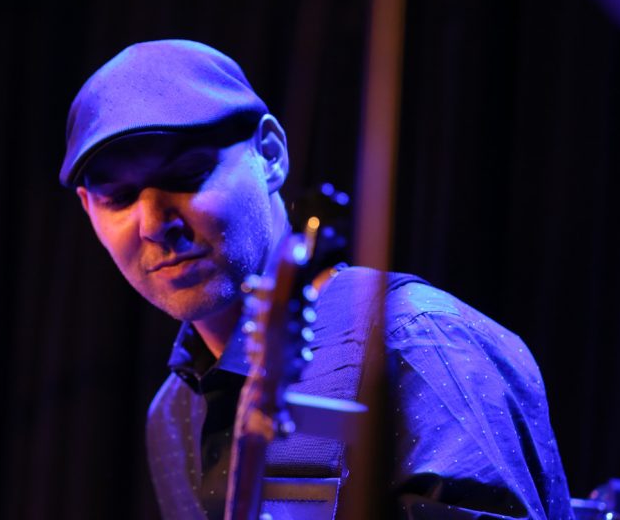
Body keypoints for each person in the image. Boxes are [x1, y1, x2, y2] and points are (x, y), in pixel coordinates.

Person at [59, 39, 573, 519]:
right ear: (87, 207)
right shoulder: (172, 416)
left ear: (270, 154)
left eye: (186, 176)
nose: (153, 225)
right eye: (118, 198)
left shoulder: (414, 341)